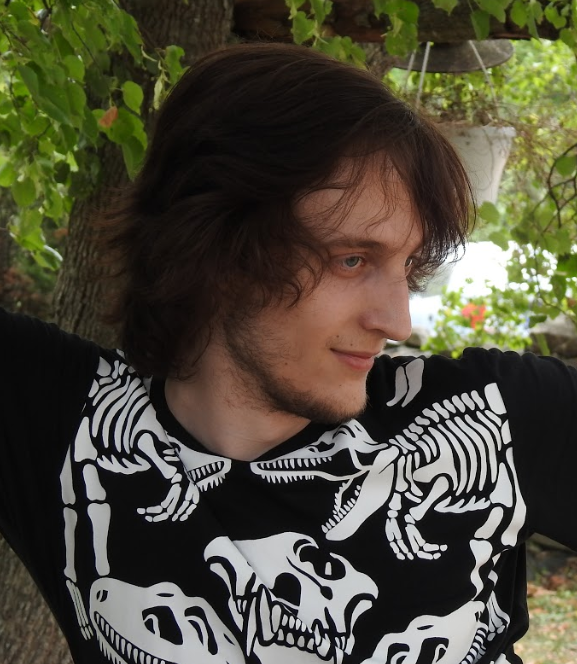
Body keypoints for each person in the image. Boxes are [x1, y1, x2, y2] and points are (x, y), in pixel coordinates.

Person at [0, 42, 575, 664]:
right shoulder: (64, 425)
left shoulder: (489, 417)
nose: (397, 321)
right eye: (352, 259)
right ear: (214, 247)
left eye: (407, 267)